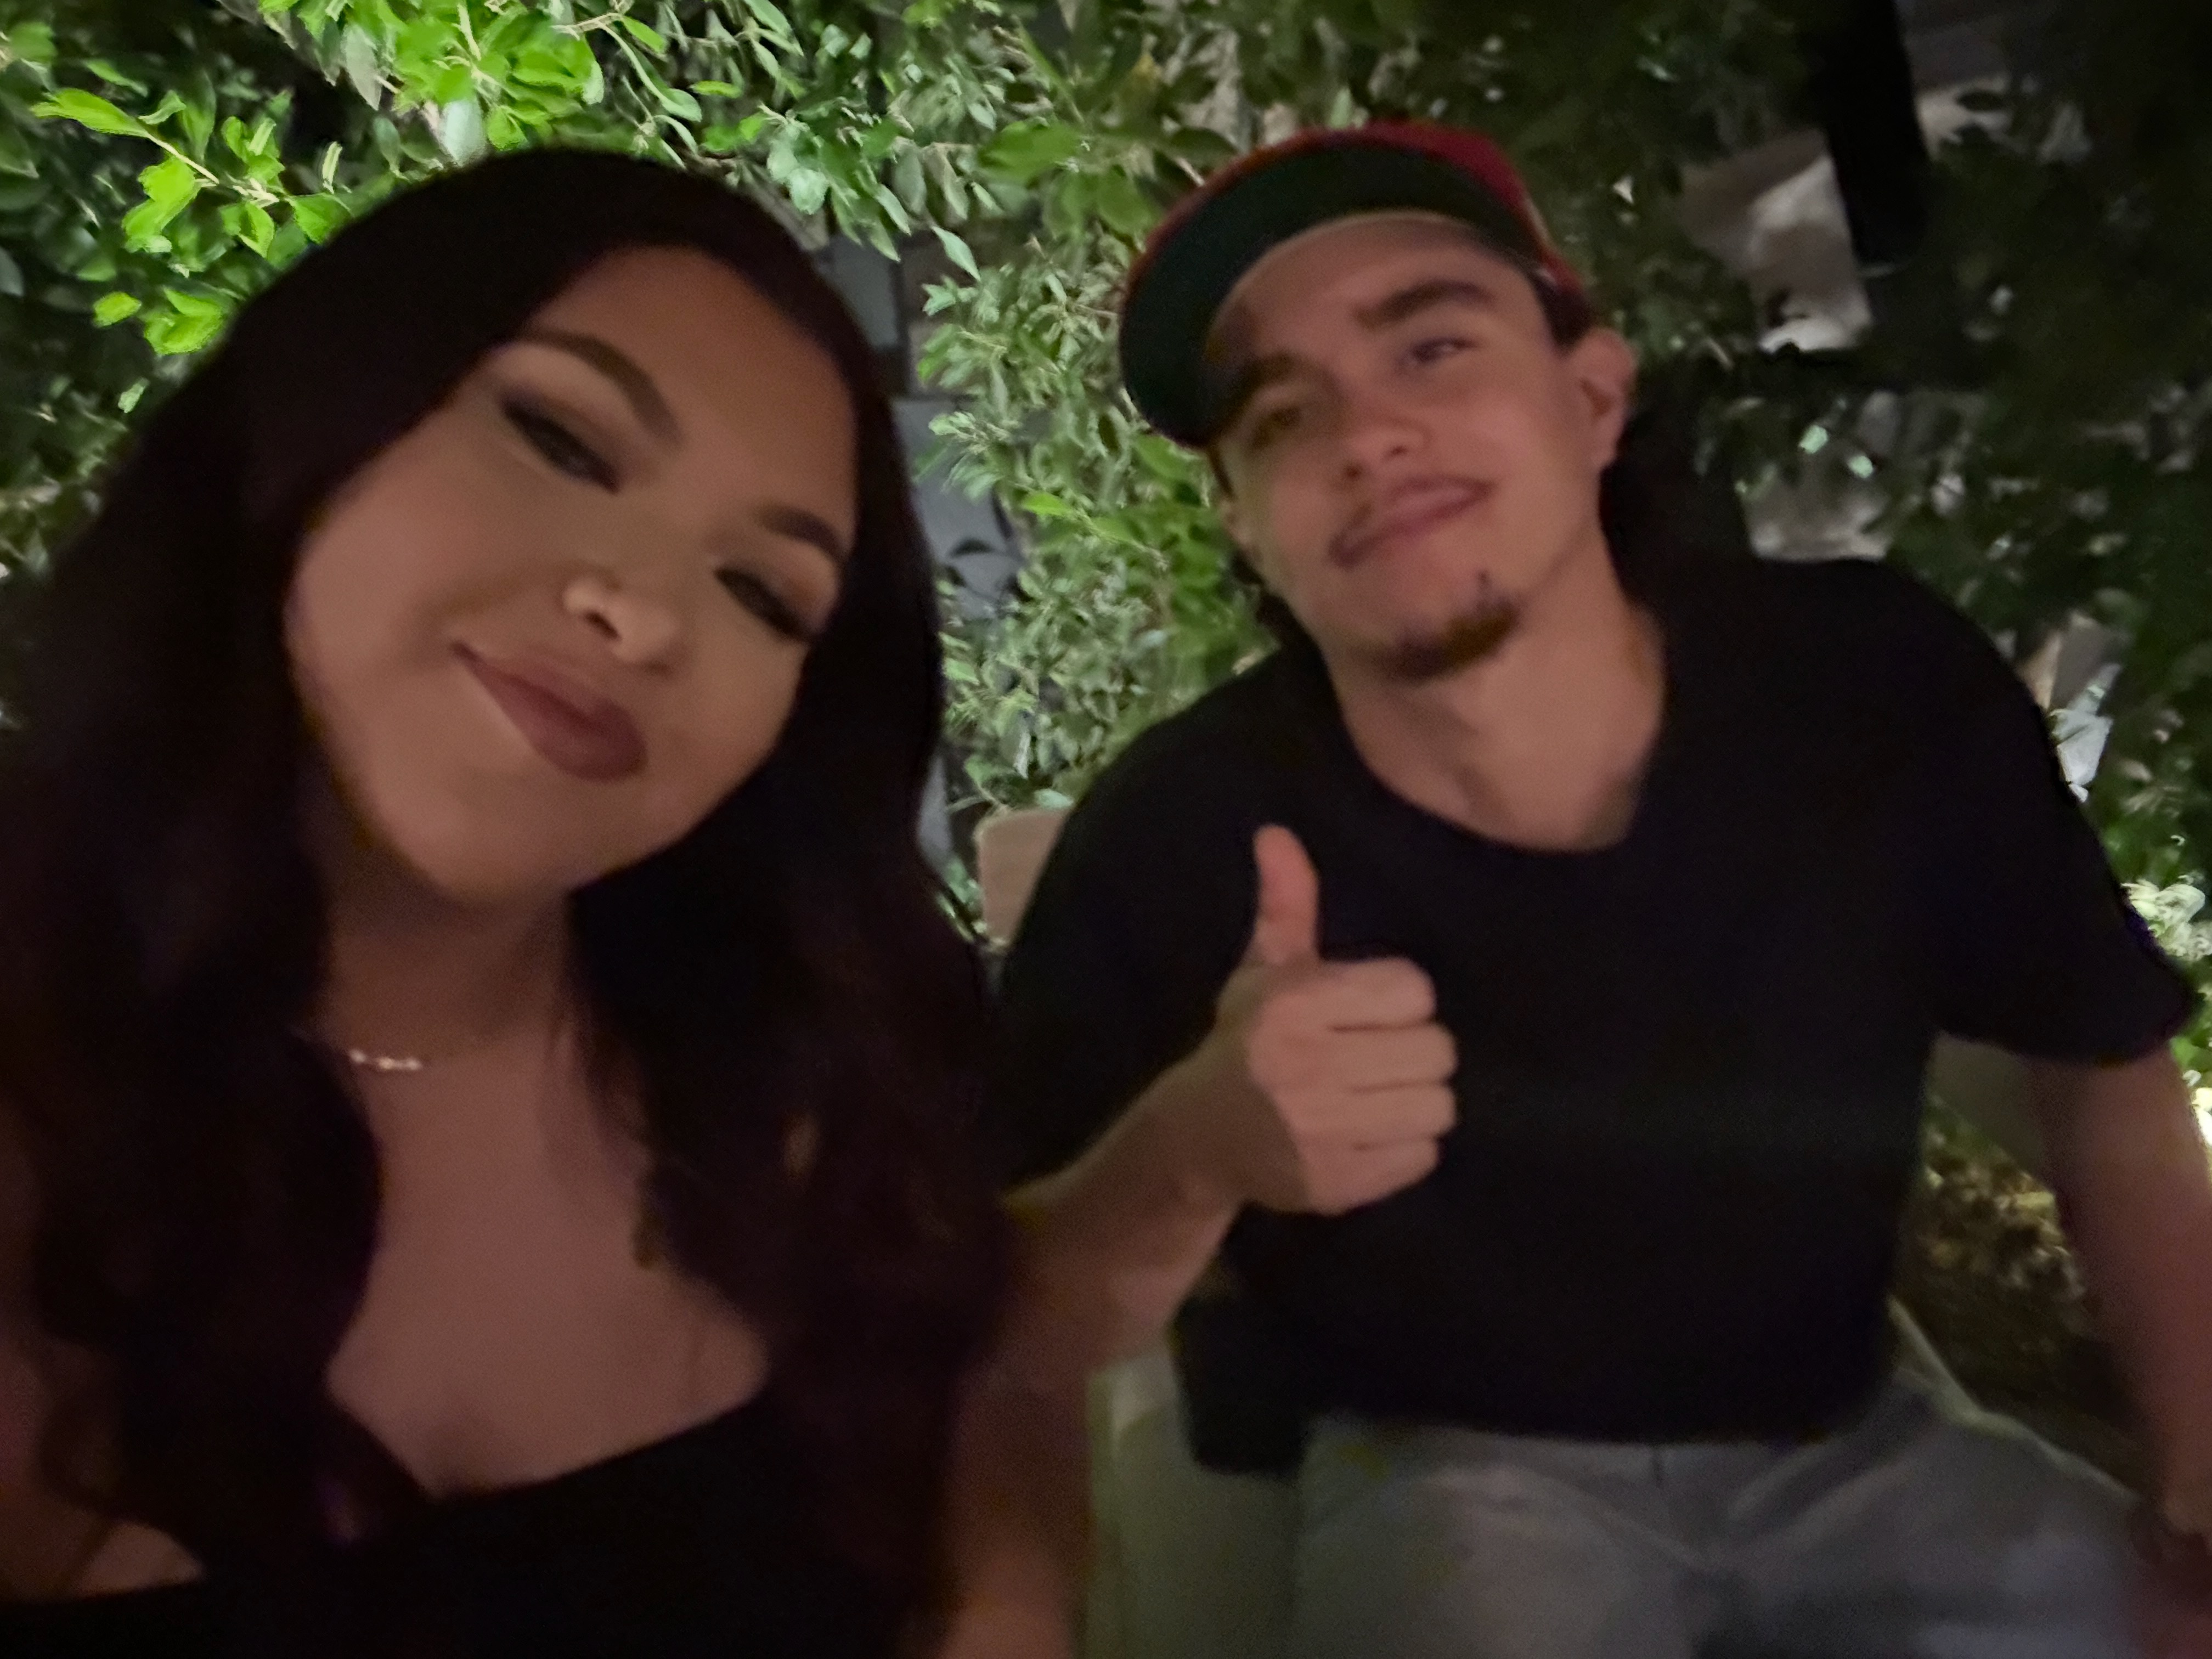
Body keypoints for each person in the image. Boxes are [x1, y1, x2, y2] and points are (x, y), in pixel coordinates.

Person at [986, 121, 2212, 1657]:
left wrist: (2199, 1481)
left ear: (1592, 397)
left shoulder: (1869, 690)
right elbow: (997, 1318)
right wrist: (1196, 1150)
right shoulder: (1180, 837)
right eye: (1283, 417)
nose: (1368, 436)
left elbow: (2102, 1068)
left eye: (1431, 346)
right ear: (1245, 521)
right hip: (1447, 1464)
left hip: (1862, 1430)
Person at [0, 148, 1079, 1658]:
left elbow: (979, 1375)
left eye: (763, 592)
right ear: (316, 417)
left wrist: (1011, 1596)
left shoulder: (791, 1084)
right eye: (562, 440)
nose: (638, 615)